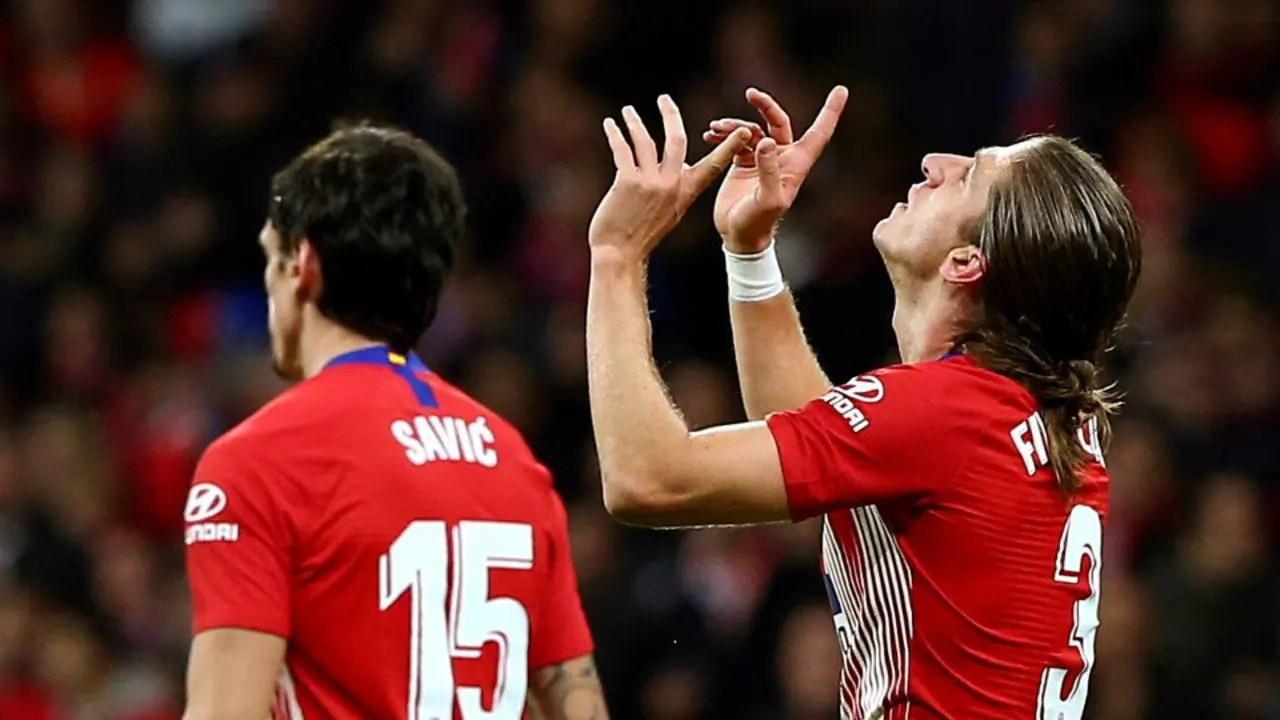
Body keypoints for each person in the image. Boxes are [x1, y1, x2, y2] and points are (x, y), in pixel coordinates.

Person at [584, 89, 1141, 720]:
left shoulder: (946, 413)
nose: (936, 162)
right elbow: (831, 456)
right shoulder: (1019, 411)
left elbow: (647, 480)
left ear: (964, 264)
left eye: (969, 176)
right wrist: (750, 252)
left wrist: (617, 256)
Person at [182, 123, 609, 720]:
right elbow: (578, 702)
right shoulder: (511, 456)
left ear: (302, 264)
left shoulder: (255, 462)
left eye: (269, 257)